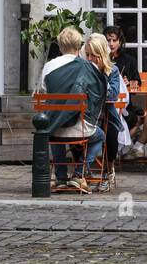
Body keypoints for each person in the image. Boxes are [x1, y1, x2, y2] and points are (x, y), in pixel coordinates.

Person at [39, 26, 107, 192]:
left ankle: (61, 178)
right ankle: (79, 173)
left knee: (55, 125)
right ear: (79, 46)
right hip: (80, 128)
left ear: (60, 46)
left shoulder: (49, 66)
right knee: (100, 136)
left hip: (53, 129)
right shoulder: (87, 67)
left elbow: (42, 92)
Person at [85, 33, 131, 176]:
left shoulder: (112, 70)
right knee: (76, 127)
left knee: (111, 130)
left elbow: (112, 95)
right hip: (87, 114)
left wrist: (99, 76)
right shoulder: (83, 69)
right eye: (87, 55)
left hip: (106, 114)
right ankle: (82, 171)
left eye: (92, 55)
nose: (88, 59)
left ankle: (109, 170)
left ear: (101, 55)